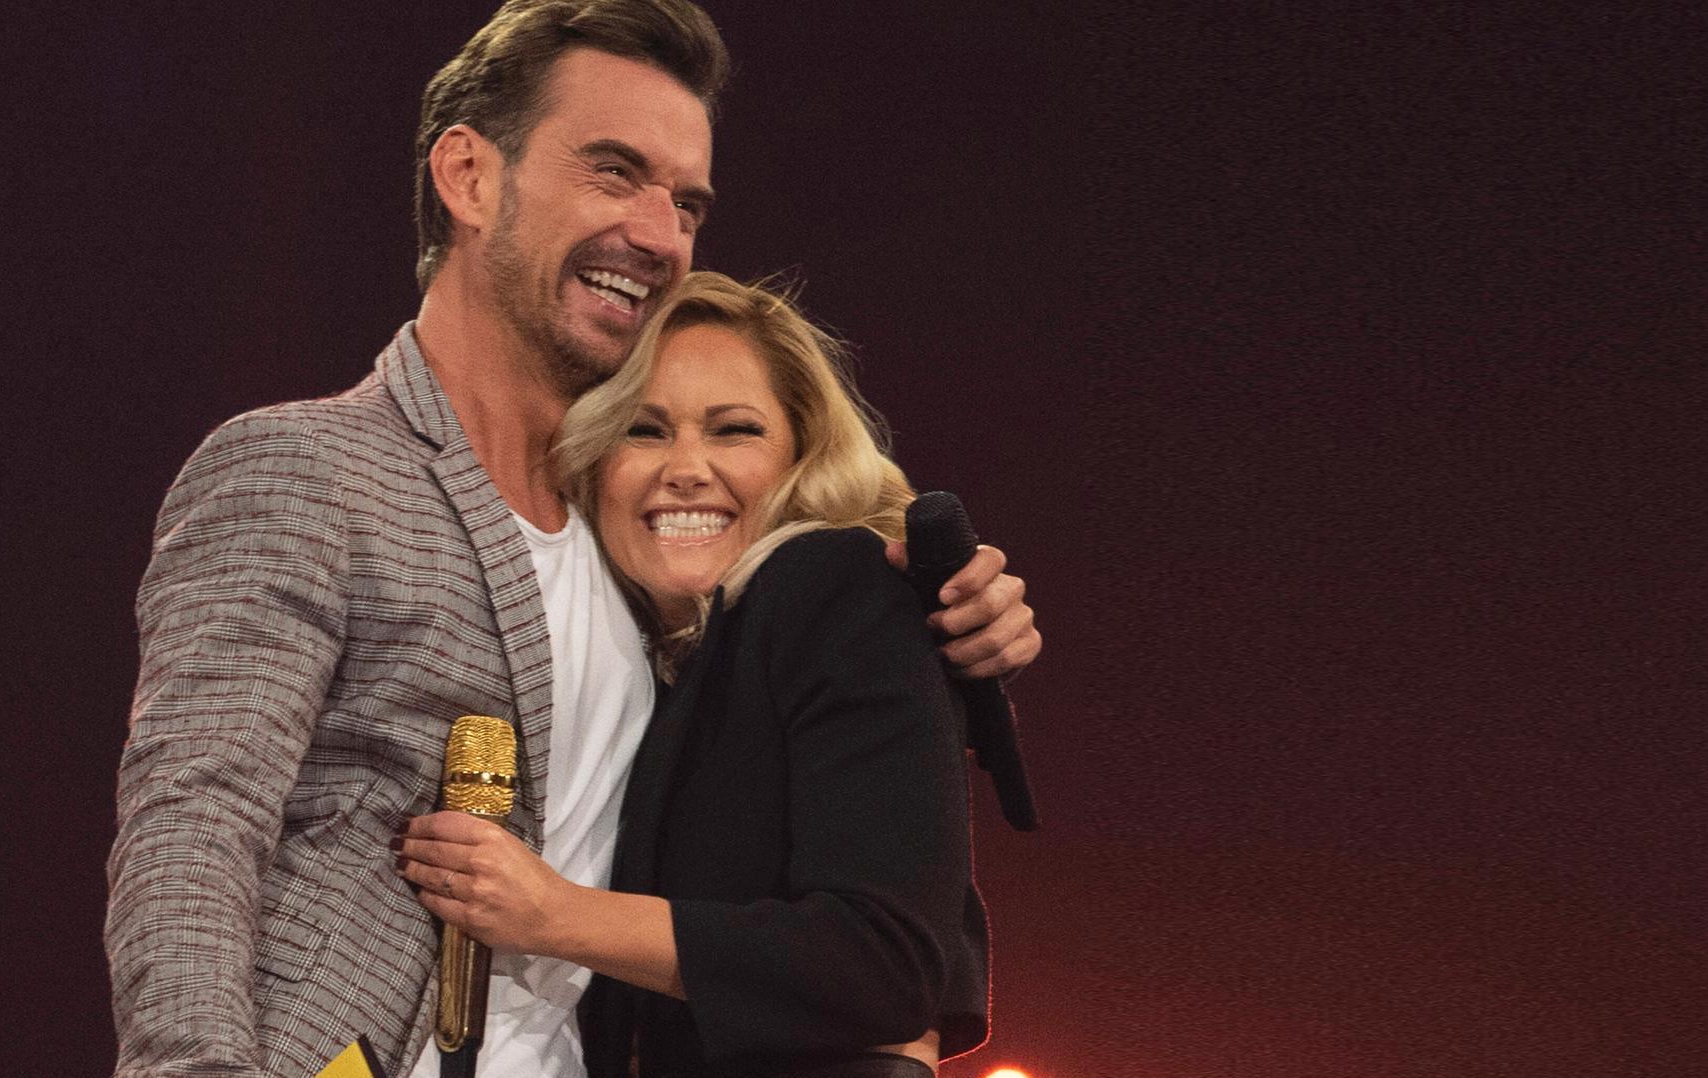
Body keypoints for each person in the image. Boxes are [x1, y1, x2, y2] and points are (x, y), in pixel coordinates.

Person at [104, 3, 1039, 1078]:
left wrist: (950, 633)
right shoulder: (307, 468)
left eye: (686, 202)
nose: (660, 234)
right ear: (468, 176)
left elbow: (806, 760)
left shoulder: (644, 548)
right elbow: (193, 824)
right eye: (614, 172)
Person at [395, 272, 988, 1078]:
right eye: (642, 431)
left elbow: (884, 965)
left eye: (733, 430)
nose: (685, 468)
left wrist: (554, 914)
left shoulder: (835, 582)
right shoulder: (654, 664)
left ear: (803, 457)